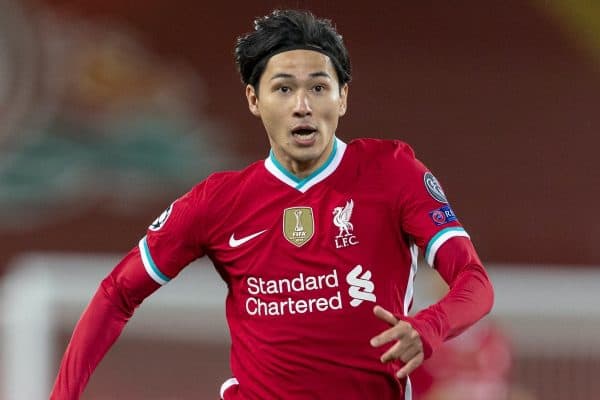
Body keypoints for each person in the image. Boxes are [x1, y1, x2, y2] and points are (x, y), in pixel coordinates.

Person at [50, 9, 494, 400]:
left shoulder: (394, 172)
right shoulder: (218, 202)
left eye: (319, 88)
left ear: (342, 97)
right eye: (283, 89)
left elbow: (475, 283)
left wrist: (428, 325)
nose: (303, 105)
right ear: (253, 99)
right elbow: (117, 293)